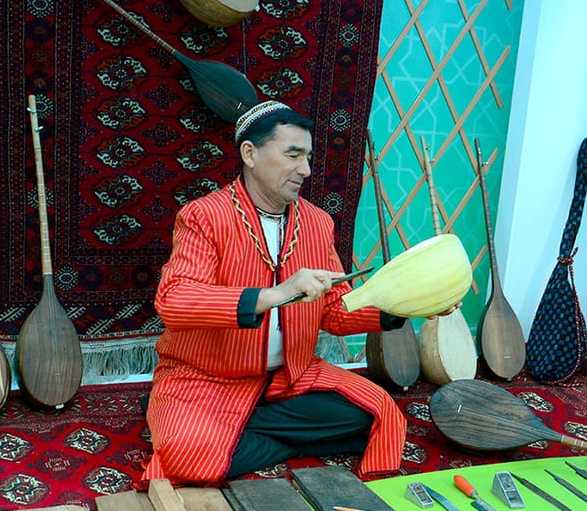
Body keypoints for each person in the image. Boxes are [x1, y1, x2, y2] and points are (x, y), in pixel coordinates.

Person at [141, 100, 422, 485]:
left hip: (292, 378)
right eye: (293, 155)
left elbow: (336, 311)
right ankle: (241, 428)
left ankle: (240, 429)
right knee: (187, 459)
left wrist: (405, 306)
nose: (305, 170)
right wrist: (274, 294)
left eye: (307, 157)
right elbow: (174, 299)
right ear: (250, 153)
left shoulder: (318, 223)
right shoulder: (203, 216)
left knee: (377, 413)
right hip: (209, 376)